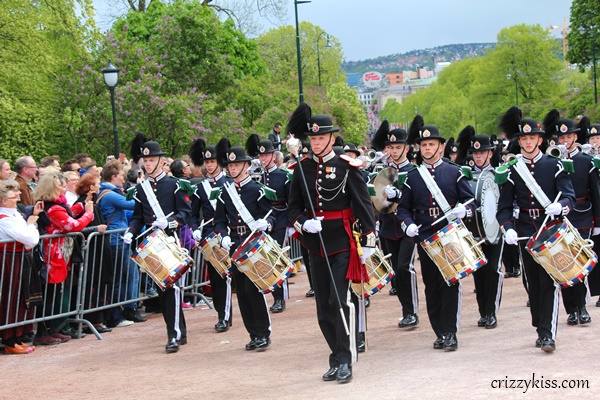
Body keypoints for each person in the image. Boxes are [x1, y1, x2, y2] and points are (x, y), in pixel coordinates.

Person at [287, 103, 377, 384]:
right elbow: (292, 208)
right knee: (323, 309)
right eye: (312, 139)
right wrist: (303, 222)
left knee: (339, 301)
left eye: (321, 138)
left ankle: (346, 359)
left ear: (332, 139)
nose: (316, 143)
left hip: (342, 242)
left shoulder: (346, 166)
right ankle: (335, 355)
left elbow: (363, 204)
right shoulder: (301, 169)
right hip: (315, 245)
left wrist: (371, 238)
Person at [496, 107, 575, 353]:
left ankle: (547, 333)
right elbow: (504, 207)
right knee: (532, 282)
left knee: (549, 281)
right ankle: (540, 324)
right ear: (519, 141)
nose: (528, 142)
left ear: (540, 140)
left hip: (550, 230)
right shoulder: (511, 171)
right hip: (524, 231)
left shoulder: (554, 165)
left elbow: (570, 198)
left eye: (532, 138)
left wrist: (559, 206)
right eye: (523, 138)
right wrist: (507, 227)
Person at [396, 115, 476, 352]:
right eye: (424, 145)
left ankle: (450, 331)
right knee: (431, 285)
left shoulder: (454, 172)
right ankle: (439, 330)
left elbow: (471, 201)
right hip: (425, 236)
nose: (427, 148)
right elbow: (403, 209)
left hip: (448, 234)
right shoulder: (412, 176)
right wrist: (407, 224)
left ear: (440, 147)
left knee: (450, 282)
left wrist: (465, 209)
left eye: (431, 144)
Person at [124, 141, 191, 353]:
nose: (149, 164)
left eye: (152, 160)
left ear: (162, 162)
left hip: (170, 240)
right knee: (164, 290)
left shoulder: (174, 184)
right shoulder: (141, 189)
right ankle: (178, 329)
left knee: (172, 288)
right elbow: (137, 216)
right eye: (146, 160)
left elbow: (185, 213)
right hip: (152, 243)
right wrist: (130, 232)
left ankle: (174, 335)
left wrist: (170, 223)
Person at [214, 145, 275, 351]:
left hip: (252, 244)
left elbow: (272, 214)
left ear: (247, 166)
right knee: (241, 291)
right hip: (234, 244)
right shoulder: (225, 192)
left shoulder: (257, 190)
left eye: (237, 164)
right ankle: (253, 333)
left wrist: (266, 224)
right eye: (230, 165)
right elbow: (219, 220)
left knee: (253, 289)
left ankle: (263, 332)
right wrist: (223, 236)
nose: (232, 169)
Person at [544, 111, 600, 326]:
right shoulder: (552, 161)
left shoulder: (587, 161)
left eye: (568, 137)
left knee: (580, 261)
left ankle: (583, 306)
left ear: (575, 137)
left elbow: (595, 192)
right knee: (564, 262)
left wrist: (598, 223)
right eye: (562, 138)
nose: (565, 141)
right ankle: (571, 309)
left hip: (583, 214)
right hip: (560, 216)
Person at [34, 172, 96, 345]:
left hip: (58, 254)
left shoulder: (54, 206)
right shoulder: (53, 207)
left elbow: (67, 218)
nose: (63, 188)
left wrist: (80, 208)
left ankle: (55, 328)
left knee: (57, 292)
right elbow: (71, 225)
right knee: (51, 294)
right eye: (60, 185)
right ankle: (46, 330)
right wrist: (89, 214)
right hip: (53, 256)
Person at [372, 121, 420, 329]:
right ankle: (405, 309)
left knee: (404, 268)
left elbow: (417, 200)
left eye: (398, 147)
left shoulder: (415, 171)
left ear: (406, 149)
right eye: (391, 147)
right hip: (387, 226)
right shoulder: (383, 172)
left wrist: (399, 196)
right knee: (394, 272)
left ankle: (412, 312)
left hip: (407, 227)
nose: (394, 151)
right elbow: (378, 203)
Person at [456, 127, 504, 329]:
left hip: (494, 232)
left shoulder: (499, 174)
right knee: (479, 273)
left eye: (482, 152)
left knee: (492, 271)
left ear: (490, 153)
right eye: (475, 153)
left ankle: (491, 311)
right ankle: (483, 312)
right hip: (473, 232)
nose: (478, 156)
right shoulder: (465, 176)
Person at [190, 138, 233, 332]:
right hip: (209, 237)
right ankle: (222, 315)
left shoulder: (230, 183)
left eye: (212, 161)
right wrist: (195, 229)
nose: (209, 165)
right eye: (206, 162)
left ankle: (227, 314)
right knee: (216, 279)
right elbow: (192, 213)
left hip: (228, 235)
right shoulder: (200, 187)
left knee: (230, 277)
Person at [246, 134, 291, 313]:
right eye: (261, 156)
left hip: (279, 218)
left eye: (266, 155)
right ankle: (273, 293)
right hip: (260, 220)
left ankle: (279, 298)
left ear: (273, 156)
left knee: (275, 257)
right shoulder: (255, 176)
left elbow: (289, 202)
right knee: (263, 258)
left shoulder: (283, 176)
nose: (263, 159)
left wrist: (289, 223)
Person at [97, 161, 146, 324]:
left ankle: (127, 308)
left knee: (127, 274)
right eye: (120, 175)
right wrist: (141, 190)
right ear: (113, 177)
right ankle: (122, 311)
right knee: (123, 276)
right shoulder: (109, 194)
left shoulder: (110, 192)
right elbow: (132, 205)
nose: (123, 178)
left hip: (119, 236)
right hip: (116, 238)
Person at [0, 180, 42, 354]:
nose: (18, 196)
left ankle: (17, 336)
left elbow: (28, 242)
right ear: (3, 200)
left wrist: (29, 227)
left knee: (20, 297)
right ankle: (9, 340)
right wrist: (31, 224)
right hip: (8, 260)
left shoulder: (14, 214)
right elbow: (30, 239)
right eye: (13, 194)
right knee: (11, 298)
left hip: (18, 257)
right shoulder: (5, 219)